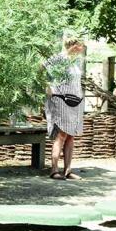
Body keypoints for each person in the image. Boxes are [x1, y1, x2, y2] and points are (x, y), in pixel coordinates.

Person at [44, 37, 85, 180]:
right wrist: (48, 87)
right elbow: (41, 68)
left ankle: (68, 170)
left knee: (71, 135)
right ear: (73, 45)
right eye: (81, 45)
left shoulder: (78, 61)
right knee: (61, 134)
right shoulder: (60, 58)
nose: (83, 48)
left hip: (76, 100)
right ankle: (54, 170)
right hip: (61, 99)